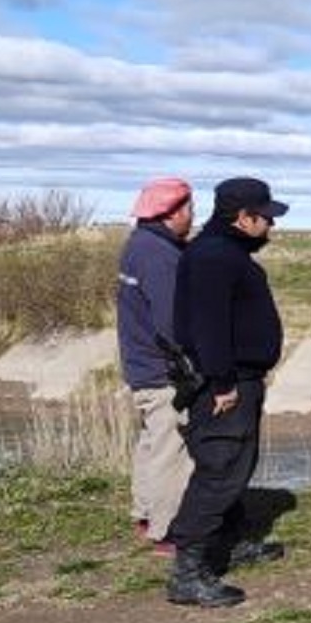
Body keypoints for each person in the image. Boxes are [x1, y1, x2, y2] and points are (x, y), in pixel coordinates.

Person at [165, 177, 290, 608]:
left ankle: (228, 545)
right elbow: (208, 326)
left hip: (238, 378)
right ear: (243, 218)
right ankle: (188, 574)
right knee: (219, 470)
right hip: (225, 384)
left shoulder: (223, 253)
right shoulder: (215, 258)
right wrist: (222, 383)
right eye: (266, 218)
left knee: (236, 466)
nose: (271, 226)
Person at [115, 177, 195, 554]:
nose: (192, 217)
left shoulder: (139, 244)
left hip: (140, 362)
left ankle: (146, 514)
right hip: (162, 369)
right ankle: (168, 530)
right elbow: (172, 321)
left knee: (151, 443)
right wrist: (194, 358)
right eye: (190, 209)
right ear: (173, 211)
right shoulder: (160, 256)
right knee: (170, 448)